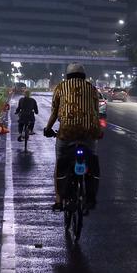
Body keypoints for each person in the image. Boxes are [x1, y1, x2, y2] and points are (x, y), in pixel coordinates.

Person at [43, 62, 103, 211]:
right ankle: (90, 197)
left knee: (60, 162)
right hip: (89, 132)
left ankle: (58, 199)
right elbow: (96, 112)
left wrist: (48, 128)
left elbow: (55, 113)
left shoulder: (60, 87)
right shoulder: (92, 88)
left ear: (68, 75)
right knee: (93, 159)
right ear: (84, 75)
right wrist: (98, 129)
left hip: (67, 133)